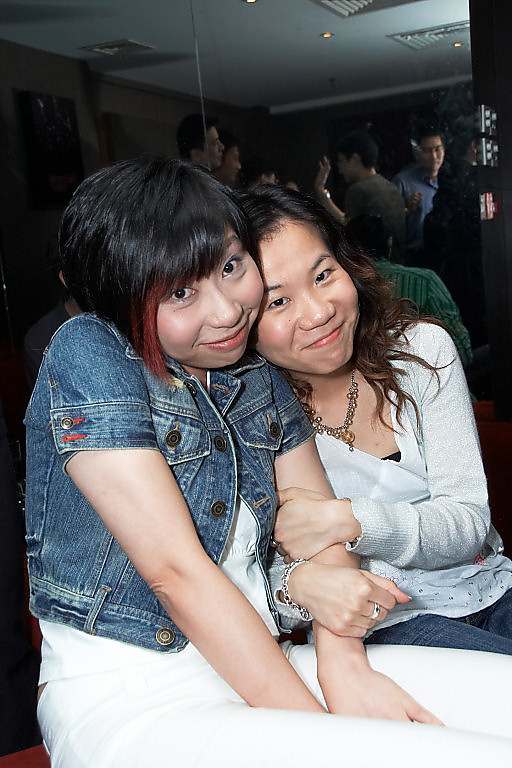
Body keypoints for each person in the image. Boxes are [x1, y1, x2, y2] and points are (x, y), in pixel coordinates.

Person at [24, 157, 512, 765]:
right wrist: (330, 733)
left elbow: (319, 522)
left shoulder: (252, 372)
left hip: (266, 656)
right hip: (139, 688)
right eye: (181, 292)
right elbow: (177, 575)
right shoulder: (89, 350)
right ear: (121, 301)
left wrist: (342, 665)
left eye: (231, 267)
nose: (228, 311)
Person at [244, 183, 512, 657]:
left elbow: (468, 521)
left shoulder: (420, 352)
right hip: (385, 627)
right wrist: (302, 584)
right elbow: (260, 580)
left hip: (491, 589)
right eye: (278, 302)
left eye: (323, 275)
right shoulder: (249, 417)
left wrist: (347, 520)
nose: (319, 312)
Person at [314, 132, 406, 263]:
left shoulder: (358, 190)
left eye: (341, 161)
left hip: (374, 265)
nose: (340, 170)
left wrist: (321, 191)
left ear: (355, 159)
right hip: (398, 262)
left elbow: (347, 226)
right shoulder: (391, 187)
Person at [392, 126, 445, 264]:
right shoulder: (402, 181)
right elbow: (390, 225)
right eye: (427, 151)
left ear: (444, 150)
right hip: (415, 256)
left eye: (437, 149)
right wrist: (406, 209)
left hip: (444, 253)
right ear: (417, 154)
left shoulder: (451, 180)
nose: (434, 156)